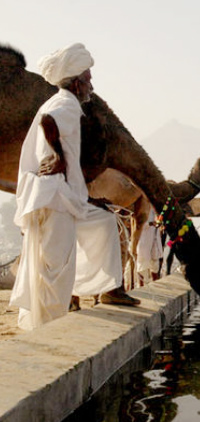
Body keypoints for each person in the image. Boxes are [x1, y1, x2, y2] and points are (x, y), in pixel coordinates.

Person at [10, 43, 138, 331]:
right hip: (52, 199)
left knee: (104, 221)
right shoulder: (65, 103)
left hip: (62, 196)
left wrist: (91, 201)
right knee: (56, 269)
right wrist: (56, 153)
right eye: (89, 79)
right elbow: (47, 122)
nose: (91, 85)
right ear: (78, 82)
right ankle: (48, 328)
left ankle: (108, 288)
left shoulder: (64, 103)